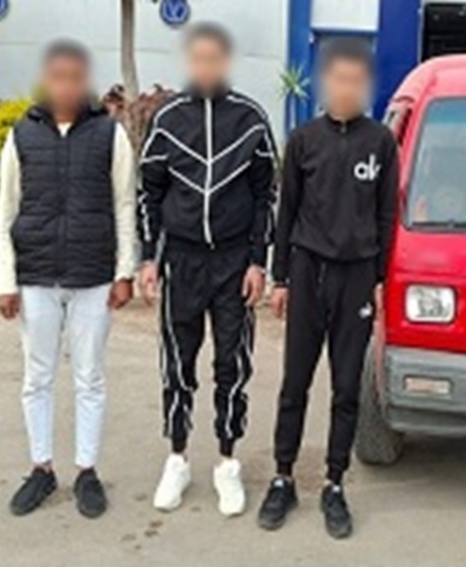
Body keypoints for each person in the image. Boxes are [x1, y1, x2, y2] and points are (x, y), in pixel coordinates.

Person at [257, 38, 399, 539]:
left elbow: (387, 215)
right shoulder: (303, 141)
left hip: (357, 277)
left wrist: (379, 279)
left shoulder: (381, 142)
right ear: (325, 83)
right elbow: (287, 212)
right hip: (307, 272)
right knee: (294, 383)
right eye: (340, 79)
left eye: (357, 81)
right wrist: (280, 278)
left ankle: (334, 483)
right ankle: (283, 477)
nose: (347, 88)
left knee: (346, 388)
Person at [137, 22, 277, 517]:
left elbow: (266, 195)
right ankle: (177, 457)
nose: (206, 68)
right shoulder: (168, 120)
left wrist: (259, 261)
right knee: (178, 362)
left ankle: (226, 462)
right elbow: (149, 191)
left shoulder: (251, 121)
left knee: (232, 365)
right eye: (199, 59)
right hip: (182, 260)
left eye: (215, 59)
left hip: (234, 261)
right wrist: (149, 257)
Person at [0, 40, 136, 519]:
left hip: (93, 276)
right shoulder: (22, 135)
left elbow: (124, 205)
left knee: (89, 376)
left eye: (76, 77)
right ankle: (41, 468)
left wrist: (124, 271)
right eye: (58, 77)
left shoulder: (110, 134)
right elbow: (6, 211)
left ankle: (86, 471)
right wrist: (6, 280)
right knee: (37, 377)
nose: (67, 86)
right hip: (35, 276)